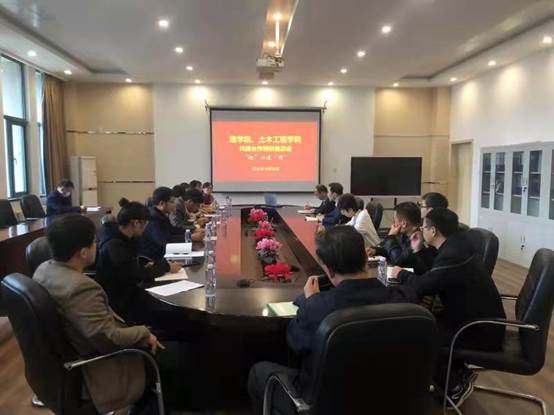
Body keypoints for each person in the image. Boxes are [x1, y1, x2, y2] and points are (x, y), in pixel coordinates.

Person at [248, 226, 416, 414]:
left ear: (329, 270)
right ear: (366, 258)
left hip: (328, 403)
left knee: (258, 372)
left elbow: (295, 344)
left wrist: (310, 301)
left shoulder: (317, 307)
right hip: (390, 398)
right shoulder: (405, 299)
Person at [33, 214, 163, 414]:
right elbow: (108, 339)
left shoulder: (43, 269)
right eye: (95, 242)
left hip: (63, 367)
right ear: (84, 252)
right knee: (167, 360)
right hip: (99, 370)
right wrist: (144, 333)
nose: (98, 245)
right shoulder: (80, 288)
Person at [390, 208, 505, 405]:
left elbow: (422, 286)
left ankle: (454, 386)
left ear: (433, 231)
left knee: (418, 332)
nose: (421, 230)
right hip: (475, 320)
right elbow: (433, 276)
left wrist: (399, 273)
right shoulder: (456, 245)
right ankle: (457, 373)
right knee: (422, 323)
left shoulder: (453, 254)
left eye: (423, 227)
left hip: (479, 330)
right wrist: (418, 251)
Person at [96, 198, 179, 322]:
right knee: (174, 314)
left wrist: (145, 265)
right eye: (144, 224)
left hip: (131, 293)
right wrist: (166, 267)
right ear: (135, 223)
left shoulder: (125, 237)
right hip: (123, 303)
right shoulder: (115, 245)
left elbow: (133, 266)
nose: (145, 228)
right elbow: (135, 274)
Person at [369, 202, 435, 273]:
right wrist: (376, 251)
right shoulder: (403, 234)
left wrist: (390, 237)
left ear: (403, 223)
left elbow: (398, 260)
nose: (393, 224)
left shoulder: (417, 239)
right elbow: (394, 251)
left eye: (395, 220)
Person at [139, 187, 190, 263]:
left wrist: (192, 231)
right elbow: (166, 242)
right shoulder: (154, 219)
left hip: (161, 256)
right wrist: (189, 237)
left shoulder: (161, 215)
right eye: (172, 202)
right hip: (152, 261)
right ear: (162, 204)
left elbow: (172, 230)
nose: (175, 205)